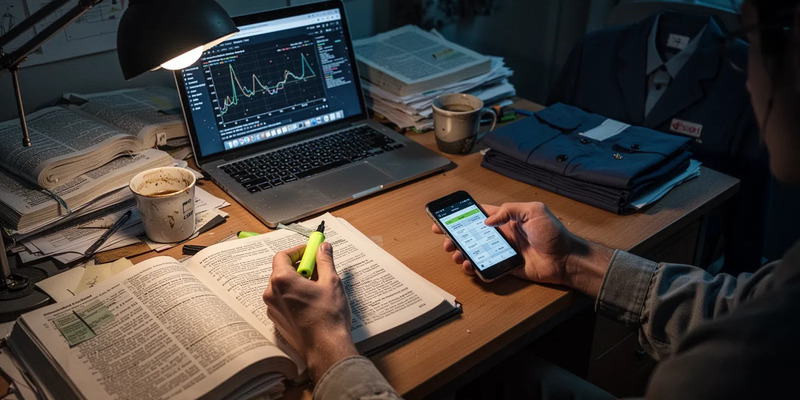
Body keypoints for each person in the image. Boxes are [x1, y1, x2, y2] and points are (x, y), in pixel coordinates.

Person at [262, 0, 800, 398]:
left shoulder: (729, 368)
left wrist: (328, 343)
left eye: (745, 52)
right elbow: (731, 302)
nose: (746, 80)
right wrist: (573, 259)